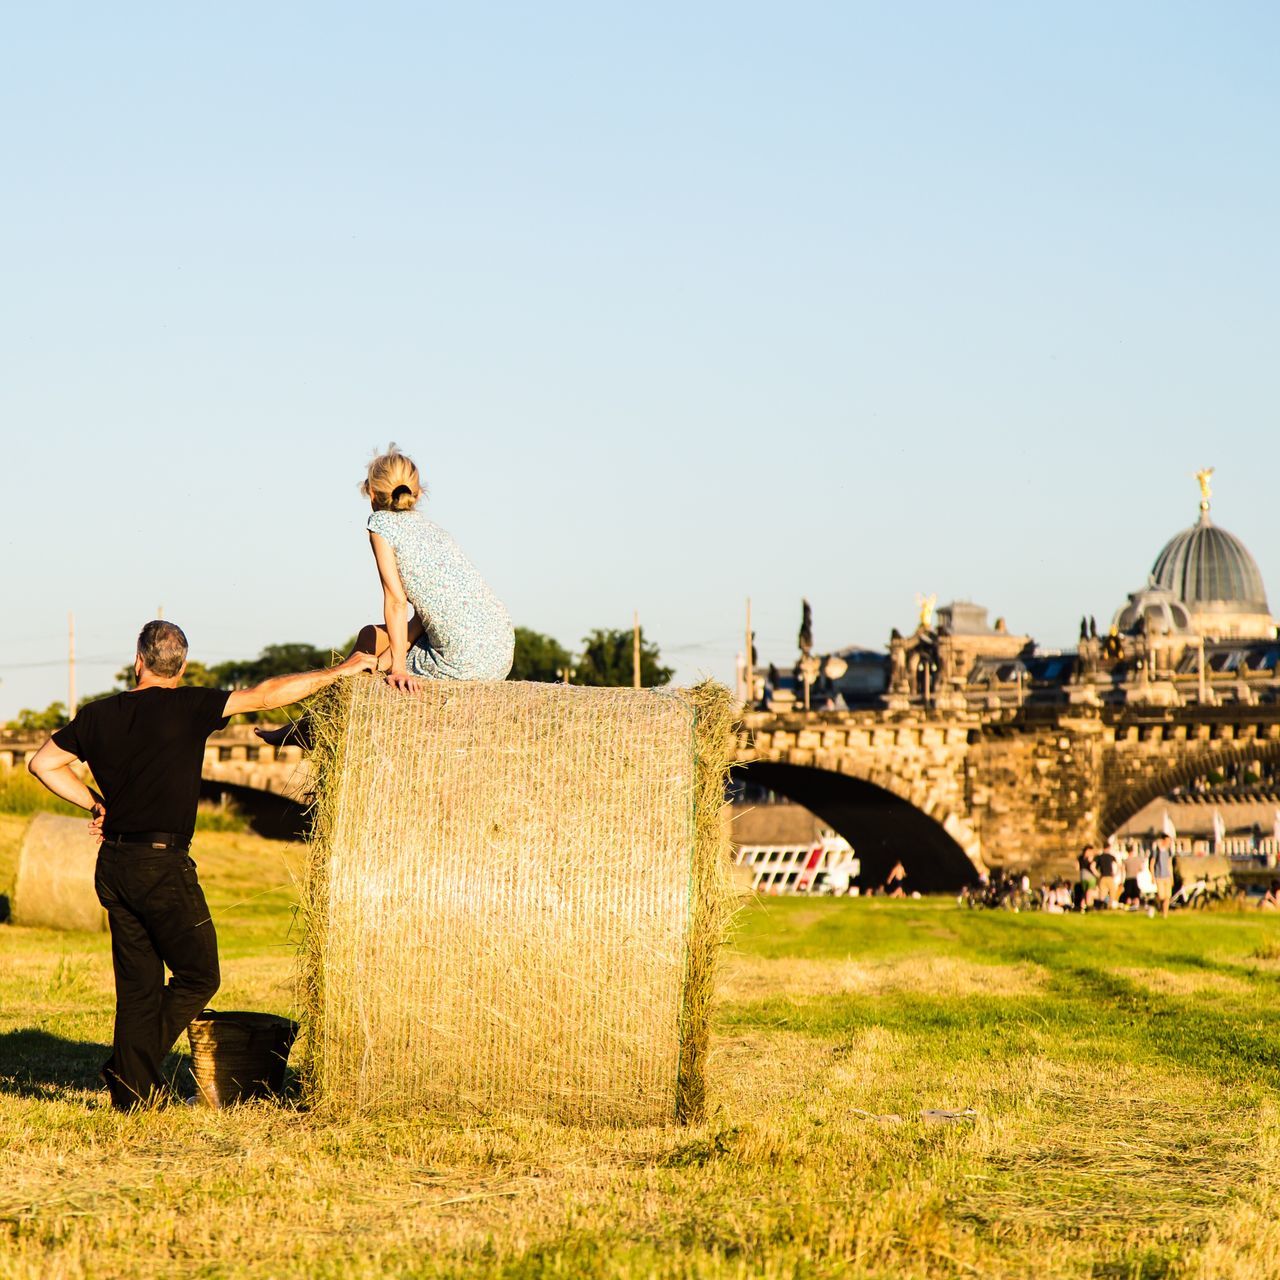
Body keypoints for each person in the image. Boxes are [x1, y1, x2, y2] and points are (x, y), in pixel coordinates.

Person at [27, 620, 376, 1110]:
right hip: (162, 867)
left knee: (139, 988)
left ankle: (133, 1095)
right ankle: (129, 1065)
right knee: (198, 976)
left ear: (138, 661)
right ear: (182, 666)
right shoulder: (190, 706)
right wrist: (342, 669)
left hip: (115, 864)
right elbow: (266, 695)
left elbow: (42, 764)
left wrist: (94, 804)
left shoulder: (97, 715)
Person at [259, 446, 515, 747]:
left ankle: (315, 728)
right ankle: (311, 725)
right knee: (374, 647)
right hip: (501, 648)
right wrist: (392, 657)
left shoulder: (381, 526)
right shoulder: (434, 531)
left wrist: (399, 668)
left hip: (464, 658)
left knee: (368, 653)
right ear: (418, 494)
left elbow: (396, 600)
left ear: (370, 493)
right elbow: (427, 614)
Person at [1150, 832, 1175, 918]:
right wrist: (1152, 876)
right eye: (1168, 841)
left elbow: (1169, 864)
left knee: (1167, 897)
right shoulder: (1156, 850)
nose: (1169, 843)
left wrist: (1172, 877)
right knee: (1161, 896)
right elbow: (1152, 864)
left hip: (1167, 876)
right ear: (1163, 840)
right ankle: (1153, 904)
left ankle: (1165, 915)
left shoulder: (1168, 851)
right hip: (1159, 876)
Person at [1094, 841, 1120, 909]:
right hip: (1110, 877)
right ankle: (1110, 906)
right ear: (1108, 848)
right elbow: (1119, 866)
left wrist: (1098, 874)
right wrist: (1116, 874)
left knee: (1102, 894)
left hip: (1102, 878)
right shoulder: (1111, 857)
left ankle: (1102, 907)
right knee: (1112, 892)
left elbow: (1092, 866)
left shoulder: (1099, 857)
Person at [1122, 842, 1146, 909]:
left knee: (1128, 895)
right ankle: (1136, 907)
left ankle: (1128, 908)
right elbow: (1141, 869)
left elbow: (1123, 870)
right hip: (1135, 879)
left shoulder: (1125, 860)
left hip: (1127, 879)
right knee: (1136, 895)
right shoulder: (1137, 860)